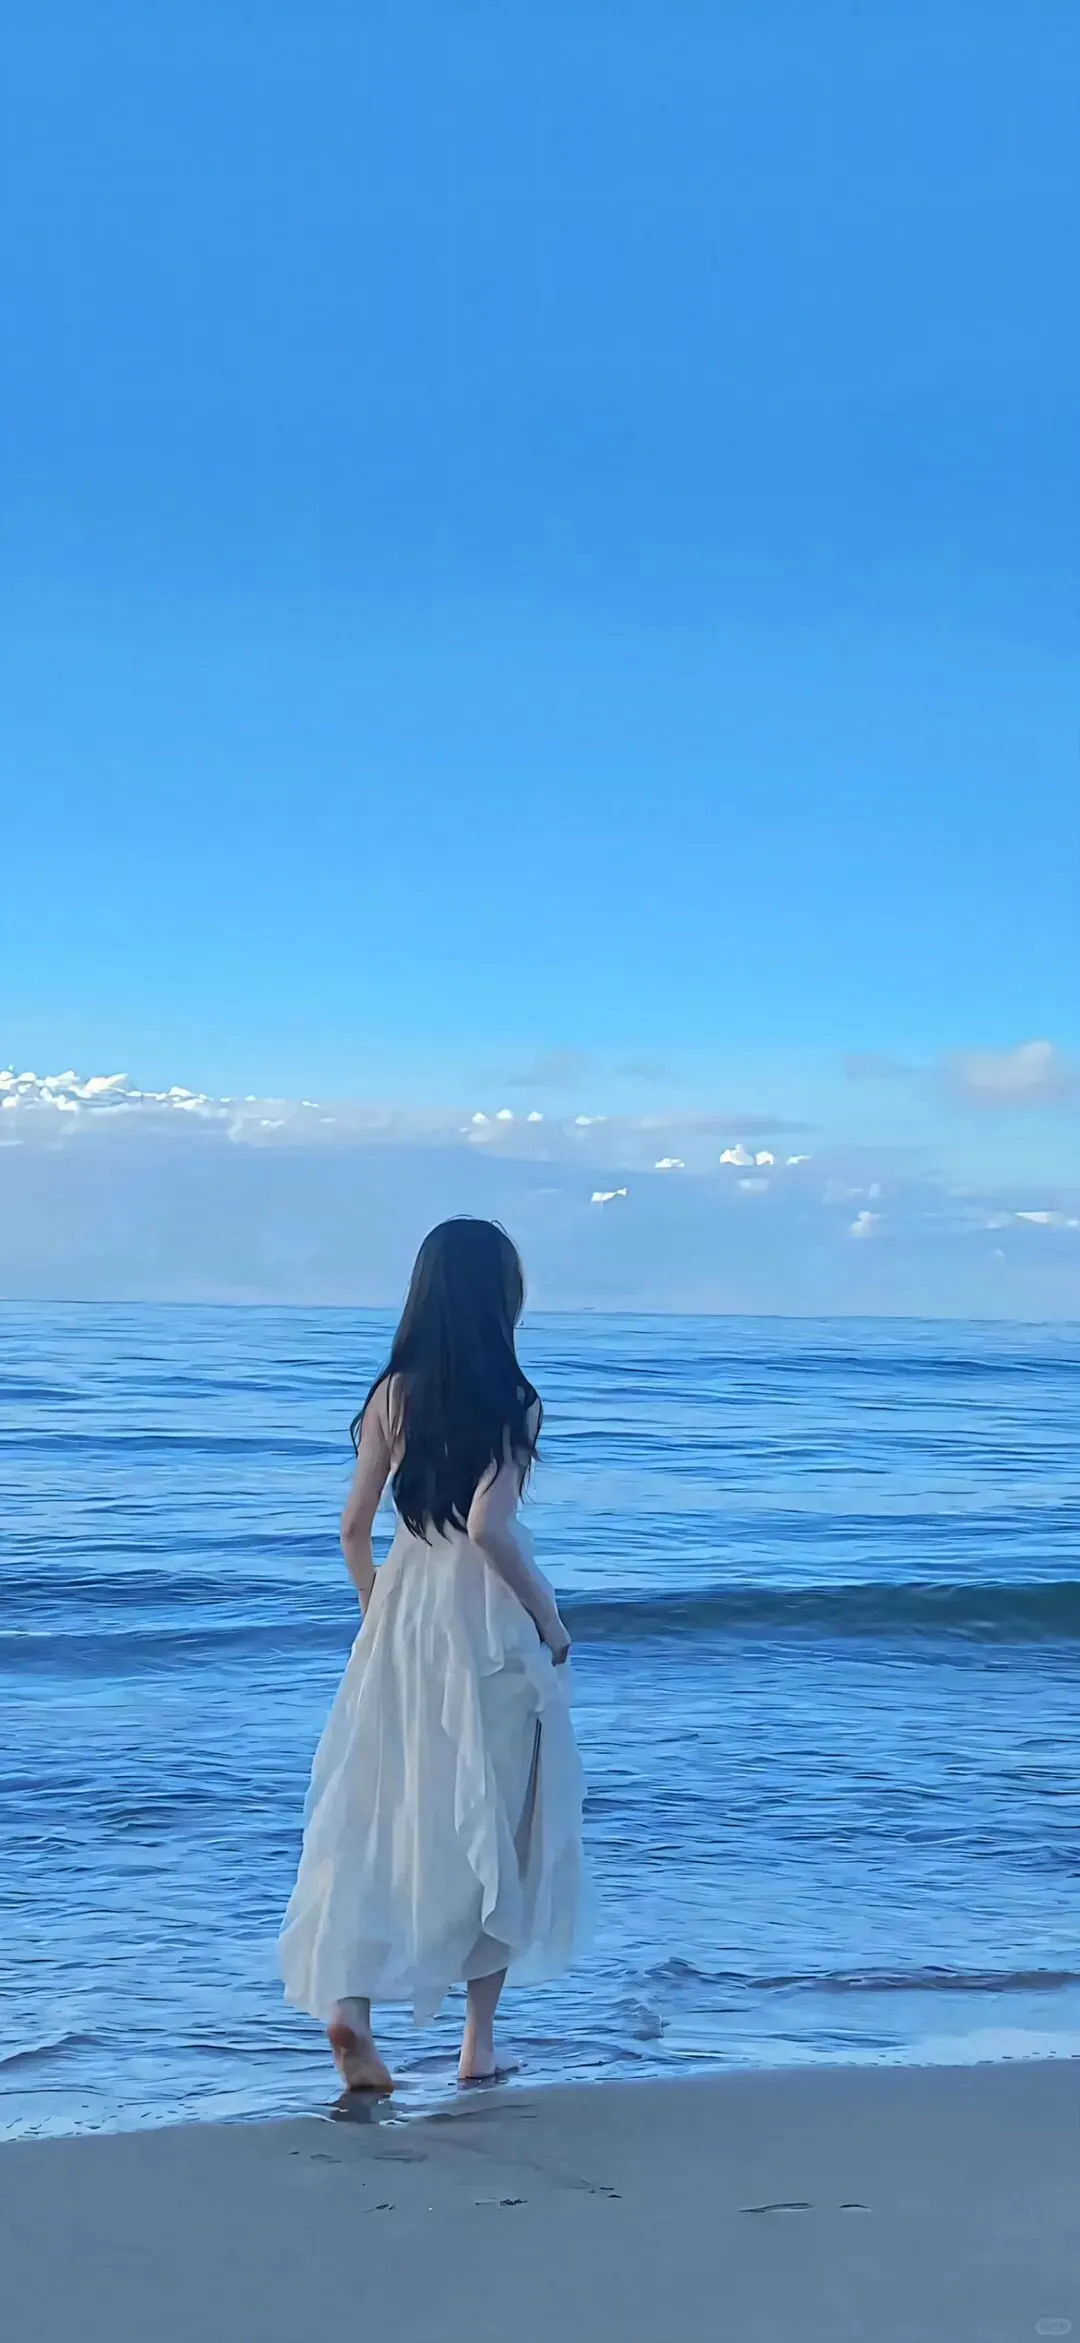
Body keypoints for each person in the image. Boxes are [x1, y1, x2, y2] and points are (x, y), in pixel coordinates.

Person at [279, 1217, 587, 2092]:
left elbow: (352, 1527)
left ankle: (351, 2005)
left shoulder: (390, 1395)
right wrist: (550, 1621)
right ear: (500, 1298)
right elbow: (490, 1528)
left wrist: (376, 1611)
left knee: (376, 1810)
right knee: (502, 1817)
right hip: (485, 1626)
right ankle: (477, 2045)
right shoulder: (514, 1399)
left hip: (404, 1613)